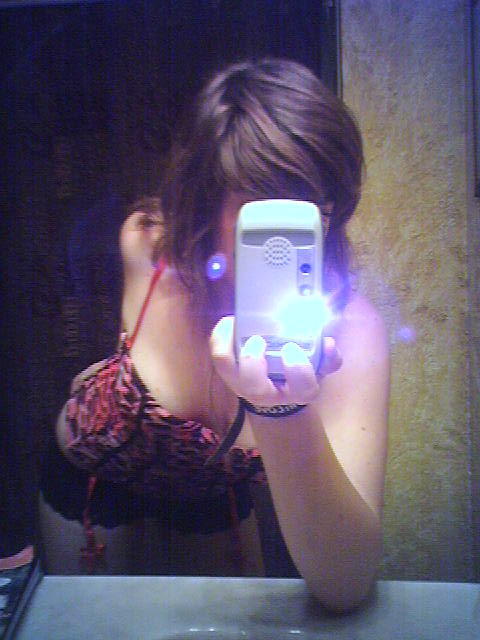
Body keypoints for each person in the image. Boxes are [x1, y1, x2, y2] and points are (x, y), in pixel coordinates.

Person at [39, 58, 389, 612]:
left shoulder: (351, 332)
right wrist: (110, 377)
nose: (288, 234)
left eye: (314, 208)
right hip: (87, 489)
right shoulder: (148, 248)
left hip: (211, 510)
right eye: (261, 207)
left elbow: (344, 585)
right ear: (209, 199)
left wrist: (282, 410)